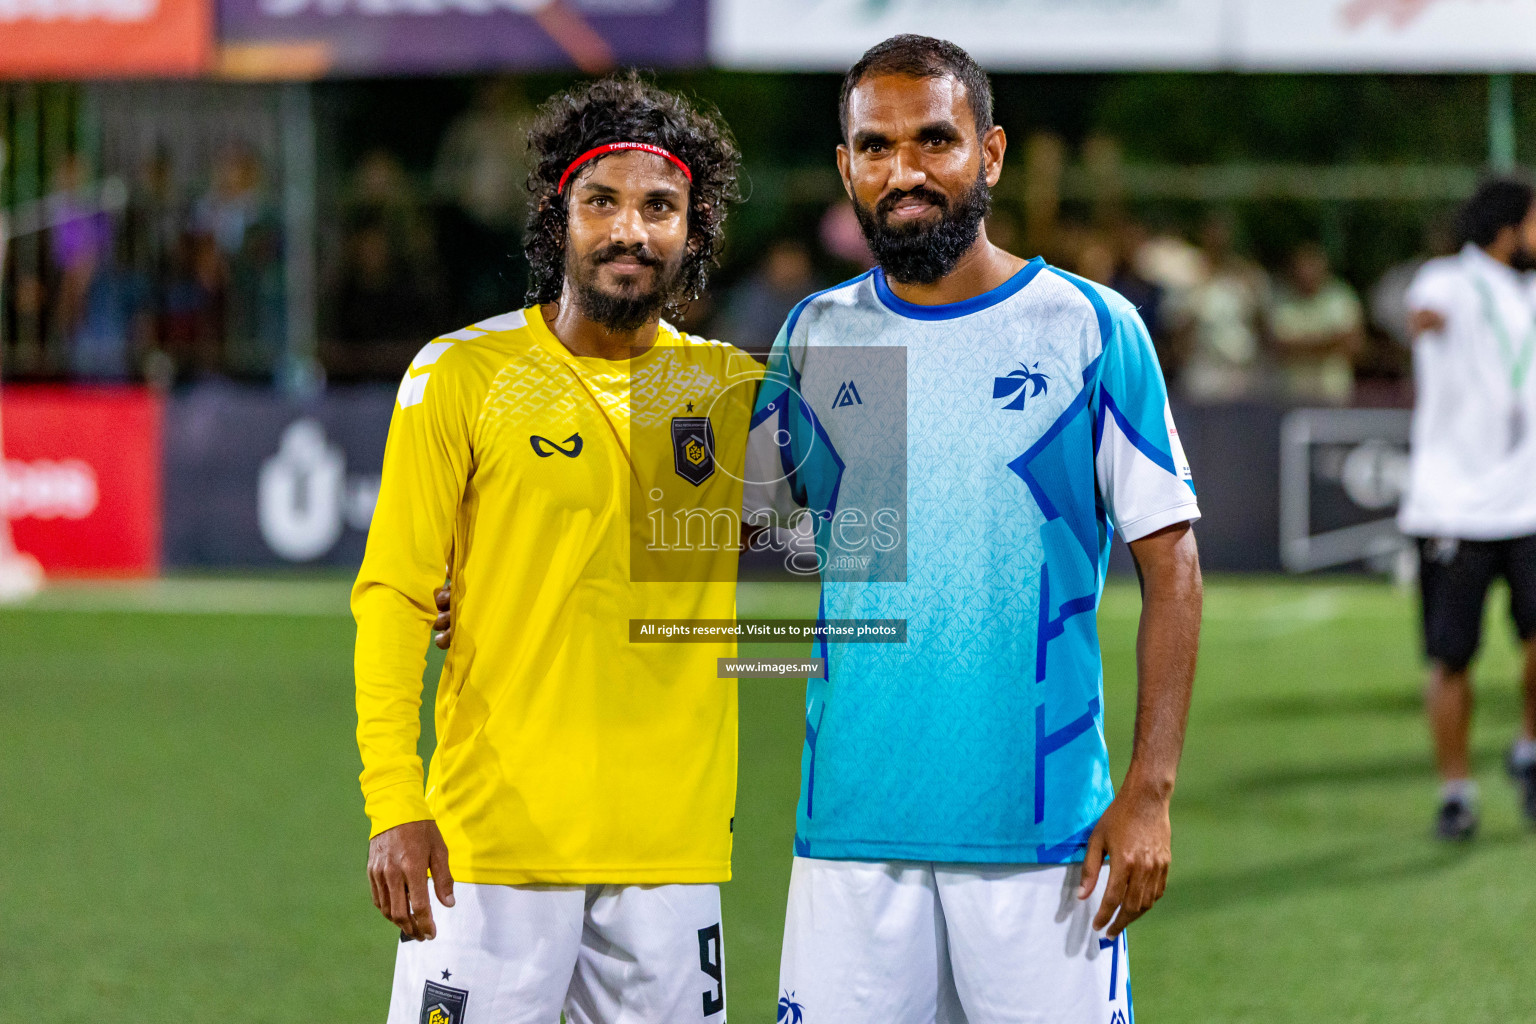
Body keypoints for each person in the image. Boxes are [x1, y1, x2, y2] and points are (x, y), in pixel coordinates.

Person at [744, 36, 1203, 1022]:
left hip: (1042, 835)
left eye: (934, 141)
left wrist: (1151, 790)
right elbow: (716, 532)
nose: (904, 172)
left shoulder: (1088, 325)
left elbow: (1173, 566)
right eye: (875, 148)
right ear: (846, 169)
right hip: (852, 828)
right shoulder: (814, 335)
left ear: (990, 154)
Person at [353, 73, 758, 1023]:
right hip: (491, 852)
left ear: (692, 229)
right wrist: (391, 803)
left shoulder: (731, 389)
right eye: (602, 202)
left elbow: (872, 529)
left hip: (671, 855)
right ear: (557, 214)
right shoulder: (464, 372)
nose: (630, 230)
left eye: (660, 206)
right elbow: (396, 596)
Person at [1401, 176, 1536, 841]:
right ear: (1509, 228)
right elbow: (1417, 311)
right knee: (1453, 658)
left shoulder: (1532, 290)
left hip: (1530, 502)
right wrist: (1422, 323)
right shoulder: (1447, 281)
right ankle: (1456, 790)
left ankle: (1528, 750)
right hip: (1455, 506)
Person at [1268, 241, 1364, 406]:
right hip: (1292, 396)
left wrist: (1301, 344)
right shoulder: (1281, 300)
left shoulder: (1341, 297)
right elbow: (1278, 347)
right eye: (1302, 267)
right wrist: (1330, 341)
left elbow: (1354, 345)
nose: (1306, 273)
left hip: (1334, 393)